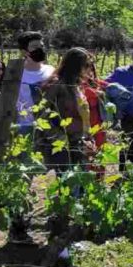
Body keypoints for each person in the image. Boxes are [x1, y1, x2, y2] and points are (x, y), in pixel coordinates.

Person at [39, 47, 95, 175]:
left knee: (82, 184)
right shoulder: (57, 85)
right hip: (64, 144)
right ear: (75, 66)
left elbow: (85, 117)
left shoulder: (77, 86)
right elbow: (42, 115)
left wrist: (90, 138)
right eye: (86, 65)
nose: (89, 68)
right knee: (68, 185)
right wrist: (57, 137)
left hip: (81, 142)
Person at [16, 32, 55, 136]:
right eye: (35, 47)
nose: (40, 49)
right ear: (24, 52)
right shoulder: (16, 73)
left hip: (47, 125)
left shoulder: (51, 71)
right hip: (23, 125)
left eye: (42, 46)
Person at [82, 58, 108, 178]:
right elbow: (85, 93)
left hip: (98, 127)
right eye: (87, 68)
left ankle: (98, 182)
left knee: (100, 154)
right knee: (86, 154)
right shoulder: (75, 85)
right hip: (83, 127)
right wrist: (97, 93)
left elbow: (108, 86)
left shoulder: (95, 83)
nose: (90, 71)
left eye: (91, 68)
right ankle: (84, 184)